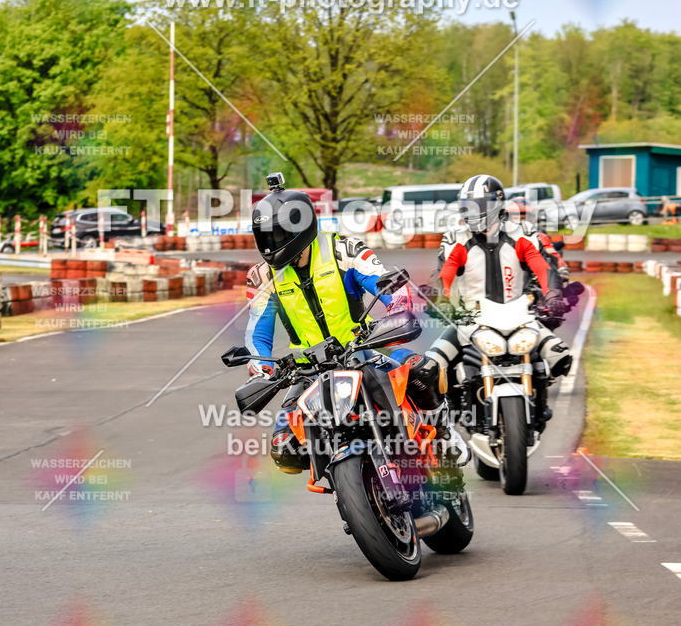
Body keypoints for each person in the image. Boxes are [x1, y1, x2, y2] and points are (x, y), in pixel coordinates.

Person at [244, 173, 463, 472]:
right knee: (286, 452)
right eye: (265, 237)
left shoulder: (343, 251)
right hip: (308, 371)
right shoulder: (263, 277)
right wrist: (262, 367)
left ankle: (444, 433)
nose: (271, 245)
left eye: (277, 236)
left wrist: (397, 310)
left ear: (301, 228)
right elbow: (257, 333)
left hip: (363, 351)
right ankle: (344, 482)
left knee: (424, 371)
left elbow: (390, 288)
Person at [415, 174, 573, 396]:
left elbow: (543, 269)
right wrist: (439, 300)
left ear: (495, 204)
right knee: (429, 368)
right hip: (470, 321)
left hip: (520, 318)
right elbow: (444, 274)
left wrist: (554, 296)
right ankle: (443, 422)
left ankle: (538, 399)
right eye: (465, 206)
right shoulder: (456, 239)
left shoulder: (522, 234)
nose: (470, 211)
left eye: (476, 205)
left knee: (560, 357)